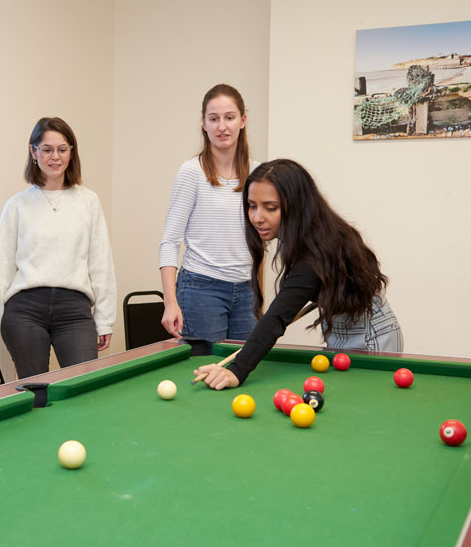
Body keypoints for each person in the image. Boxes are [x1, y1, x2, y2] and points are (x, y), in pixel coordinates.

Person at [195, 158, 403, 389]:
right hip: (342, 331)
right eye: (252, 206)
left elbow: (276, 318)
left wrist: (236, 370)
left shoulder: (314, 254)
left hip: (370, 336)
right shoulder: (311, 235)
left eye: (270, 207)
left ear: (297, 205)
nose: (257, 217)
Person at [0, 117, 116, 379]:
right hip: (24, 311)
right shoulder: (17, 205)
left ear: (71, 153)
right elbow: (1, 268)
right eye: (47, 149)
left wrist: (105, 319)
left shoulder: (88, 201)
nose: (55, 157)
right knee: (36, 390)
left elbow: (102, 264)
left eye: (62, 149)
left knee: (83, 388)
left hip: (74, 310)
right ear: (33, 152)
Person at [159, 84, 260, 343]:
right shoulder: (191, 172)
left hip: (246, 292)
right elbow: (170, 241)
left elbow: (259, 240)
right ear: (203, 124)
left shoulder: (258, 174)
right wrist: (170, 303)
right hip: (201, 289)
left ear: (243, 121)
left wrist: (258, 294)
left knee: (244, 371)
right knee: (205, 372)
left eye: (229, 117)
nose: (221, 127)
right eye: (213, 119)